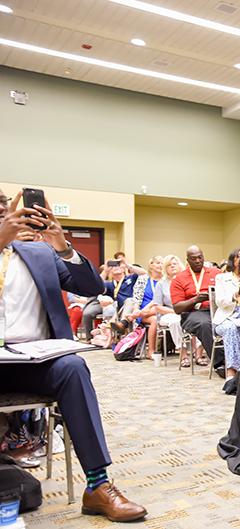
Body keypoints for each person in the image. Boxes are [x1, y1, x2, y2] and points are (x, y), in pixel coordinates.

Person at [0, 189, 147, 522]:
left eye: (3, 202)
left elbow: (91, 285)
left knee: (73, 367)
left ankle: (97, 484)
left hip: (33, 360)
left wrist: (61, 244)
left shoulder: (38, 252)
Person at [170, 245, 219, 370]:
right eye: (193, 259)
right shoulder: (179, 279)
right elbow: (177, 308)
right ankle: (221, 364)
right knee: (205, 325)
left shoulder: (215, 273)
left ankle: (238, 362)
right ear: (187, 261)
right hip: (192, 313)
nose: (197, 261)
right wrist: (196, 299)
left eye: (200, 257)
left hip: (217, 310)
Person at [213, 249, 240, 395]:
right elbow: (220, 301)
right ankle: (232, 374)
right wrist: (235, 295)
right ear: (233, 259)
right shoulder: (222, 278)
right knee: (231, 329)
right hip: (226, 318)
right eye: (238, 256)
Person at [151, 255, 185, 357]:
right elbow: (157, 307)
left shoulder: (185, 281)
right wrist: (175, 311)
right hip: (167, 313)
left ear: (180, 266)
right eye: (169, 265)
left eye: (175, 264)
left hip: (185, 311)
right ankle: (182, 352)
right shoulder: (161, 284)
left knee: (198, 320)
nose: (173, 266)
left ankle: (198, 354)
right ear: (165, 268)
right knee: (175, 321)